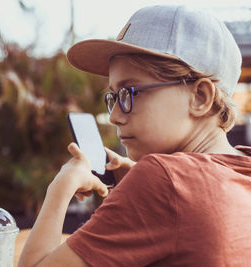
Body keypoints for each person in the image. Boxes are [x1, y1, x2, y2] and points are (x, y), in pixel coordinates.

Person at [18, 5, 251, 266]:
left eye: (130, 92)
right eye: (114, 97)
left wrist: (62, 186)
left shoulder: (163, 179)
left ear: (200, 97)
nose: (115, 115)